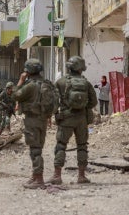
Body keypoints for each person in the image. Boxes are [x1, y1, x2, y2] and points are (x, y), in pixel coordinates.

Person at [47, 56, 97, 185]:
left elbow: (53, 102)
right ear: (81, 69)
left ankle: (57, 176)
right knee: (82, 146)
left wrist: (55, 113)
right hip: (81, 119)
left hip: (66, 119)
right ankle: (81, 176)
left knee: (61, 145)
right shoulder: (86, 83)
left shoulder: (60, 82)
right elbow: (93, 102)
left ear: (69, 67)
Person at [12, 59, 48, 189]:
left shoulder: (30, 85)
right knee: (38, 148)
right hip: (43, 119)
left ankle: (39, 179)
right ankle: (35, 176)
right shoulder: (46, 83)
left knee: (35, 149)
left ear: (28, 71)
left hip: (32, 119)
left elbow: (16, 95)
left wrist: (21, 80)